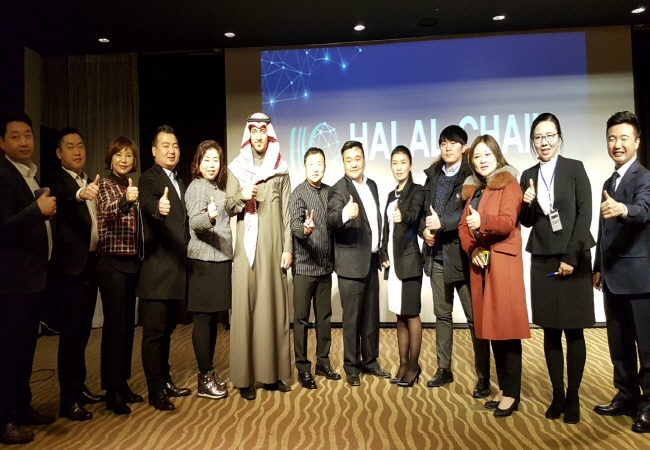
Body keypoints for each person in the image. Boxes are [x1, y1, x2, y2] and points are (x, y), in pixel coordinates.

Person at [519, 113, 595, 424]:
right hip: (543, 259)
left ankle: (573, 395)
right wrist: (526, 202)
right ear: (532, 142)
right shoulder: (528, 175)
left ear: (559, 137)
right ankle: (558, 393)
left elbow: (584, 214)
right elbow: (526, 222)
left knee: (574, 331)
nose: (544, 142)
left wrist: (571, 257)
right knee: (550, 330)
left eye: (549, 135)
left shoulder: (575, 168)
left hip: (573, 257)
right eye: (538, 137)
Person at [458, 134, 530, 417]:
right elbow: (463, 226)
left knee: (506, 331)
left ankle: (512, 394)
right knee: (493, 330)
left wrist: (483, 221)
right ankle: (504, 388)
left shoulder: (509, 183)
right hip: (482, 264)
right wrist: (473, 247)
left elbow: (508, 221)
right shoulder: (475, 189)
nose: (482, 160)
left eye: (487, 154)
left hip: (503, 264)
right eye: (477, 156)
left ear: (497, 155)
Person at [420, 126, 491, 397]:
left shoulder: (471, 175)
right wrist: (425, 230)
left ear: (464, 147)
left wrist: (442, 223)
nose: (447, 148)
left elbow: (469, 212)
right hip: (436, 256)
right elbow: (423, 212)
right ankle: (444, 368)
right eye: (443, 143)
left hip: (463, 255)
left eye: (453, 143)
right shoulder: (433, 175)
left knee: (475, 319)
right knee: (442, 315)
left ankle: (483, 377)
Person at [225, 112, 293, 400]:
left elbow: (287, 212)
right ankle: (244, 379)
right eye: (254, 131)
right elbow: (228, 205)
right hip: (246, 252)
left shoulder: (280, 168)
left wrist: (288, 247)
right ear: (248, 135)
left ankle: (273, 374)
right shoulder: (237, 168)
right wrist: (242, 195)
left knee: (273, 310)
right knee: (245, 311)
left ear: (269, 134)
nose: (258, 136)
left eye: (263, 131)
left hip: (274, 248)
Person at [0, 112, 56, 445]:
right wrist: (37, 211)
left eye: (28, 136)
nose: (24, 142)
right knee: (10, 352)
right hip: (13, 281)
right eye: (15, 136)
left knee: (26, 351)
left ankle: (22, 407)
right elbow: (3, 226)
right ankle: (5, 419)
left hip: (33, 277)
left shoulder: (29, 174)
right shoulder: (4, 176)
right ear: (2, 142)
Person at [593, 111, 650, 434]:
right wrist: (597, 267)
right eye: (612, 138)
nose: (617, 144)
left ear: (637, 142)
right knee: (620, 345)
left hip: (640, 280)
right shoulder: (609, 182)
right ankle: (627, 396)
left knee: (648, 348)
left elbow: (644, 210)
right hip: (612, 276)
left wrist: (623, 209)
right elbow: (603, 231)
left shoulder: (645, 178)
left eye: (624, 138)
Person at [46, 127, 104, 421]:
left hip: (90, 265)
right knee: (70, 336)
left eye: (80, 145)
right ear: (59, 153)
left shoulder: (88, 178)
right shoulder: (58, 180)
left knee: (82, 334)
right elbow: (66, 197)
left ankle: (79, 388)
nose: (77, 151)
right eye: (70, 147)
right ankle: (68, 400)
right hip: (70, 270)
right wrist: (81, 193)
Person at [327, 140, 391, 386]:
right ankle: (352, 366)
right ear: (343, 163)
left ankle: (370, 361)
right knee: (352, 320)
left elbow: (376, 222)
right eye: (349, 160)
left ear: (364, 159)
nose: (354, 163)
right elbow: (331, 219)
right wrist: (346, 213)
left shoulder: (372, 185)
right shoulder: (338, 189)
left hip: (371, 261)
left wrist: (381, 251)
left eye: (357, 158)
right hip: (350, 265)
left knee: (371, 317)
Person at [137, 125, 191, 411]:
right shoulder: (149, 177)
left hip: (177, 269)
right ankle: (155, 389)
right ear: (154, 151)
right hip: (157, 271)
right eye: (166, 146)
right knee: (154, 334)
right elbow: (147, 202)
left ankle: (165, 379)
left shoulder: (180, 181)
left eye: (175, 146)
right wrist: (158, 208)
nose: (172, 151)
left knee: (168, 330)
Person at [96, 136, 144, 415]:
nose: (124, 160)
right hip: (111, 262)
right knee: (114, 329)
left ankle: (122, 383)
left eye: (128, 155)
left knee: (127, 327)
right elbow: (108, 213)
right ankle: (111, 391)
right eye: (119, 155)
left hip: (130, 262)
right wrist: (126, 201)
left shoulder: (130, 185)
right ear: (110, 159)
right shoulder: (105, 185)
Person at [289, 147, 341, 390]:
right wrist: (305, 230)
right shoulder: (298, 193)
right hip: (303, 267)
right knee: (300, 319)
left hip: (325, 267)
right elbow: (295, 225)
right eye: (312, 164)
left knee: (324, 318)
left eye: (320, 163)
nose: (316, 168)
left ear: (325, 166)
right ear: (305, 167)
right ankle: (303, 368)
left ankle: (323, 362)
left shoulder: (331, 193)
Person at [185, 140, 231, 400]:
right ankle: (204, 378)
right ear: (198, 163)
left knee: (213, 320)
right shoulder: (196, 186)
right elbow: (195, 222)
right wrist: (209, 217)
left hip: (220, 260)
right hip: (203, 261)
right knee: (203, 320)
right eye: (207, 160)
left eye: (216, 160)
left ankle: (209, 371)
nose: (211, 165)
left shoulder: (218, 187)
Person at [380, 146, 424, 387]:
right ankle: (403, 364)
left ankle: (414, 366)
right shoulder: (390, 195)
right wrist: (383, 253)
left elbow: (414, 213)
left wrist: (403, 216)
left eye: (403, 162)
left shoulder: (417, 191)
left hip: (409, 262)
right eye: (395, 163)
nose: (399, 167)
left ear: (410, 165)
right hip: (394, 264)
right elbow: (387, 231)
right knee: (399, 315)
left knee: (412, 314)